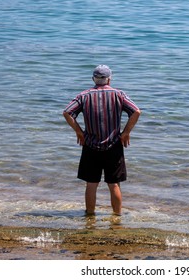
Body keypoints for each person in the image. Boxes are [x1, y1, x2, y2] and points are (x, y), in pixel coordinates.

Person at [63, 65, 141, 216]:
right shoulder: (119, 94)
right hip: (114, 145)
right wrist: (125, 133)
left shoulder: (84, 95)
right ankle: (117, 217)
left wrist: (79, 132)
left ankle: (90, 215)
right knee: (114, 185)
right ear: (109, 79)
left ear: (93, 79)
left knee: (91, 184)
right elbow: (136, 111)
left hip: (90, 145)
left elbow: (67, 112)